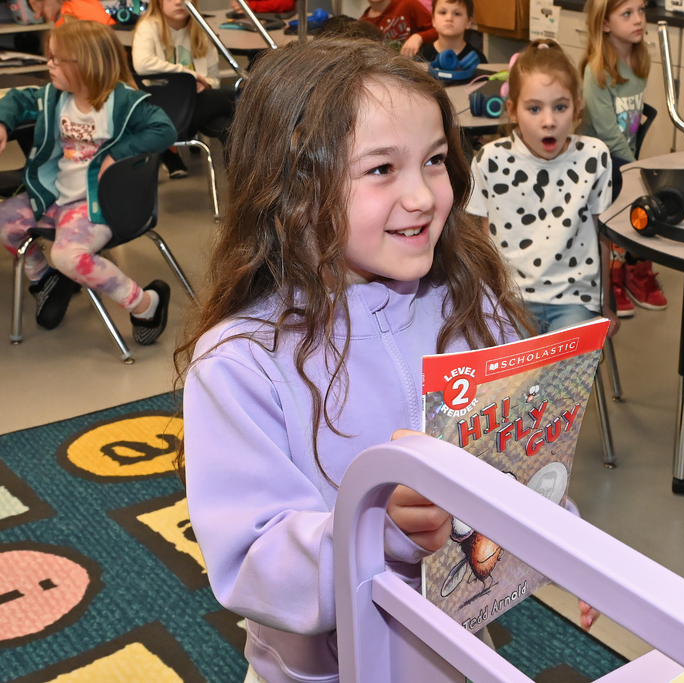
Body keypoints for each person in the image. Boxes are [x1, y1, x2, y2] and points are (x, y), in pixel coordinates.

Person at [176, 39, 598, 683]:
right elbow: (253, 565)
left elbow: (518, 455)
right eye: (381, 170)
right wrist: (379, 527)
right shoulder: (240, 364)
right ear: (294, 189)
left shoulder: (466, 300)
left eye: (434, 161)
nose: (425, 196)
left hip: (458, 650)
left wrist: (566, 542)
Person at [0, 21, 177, 343]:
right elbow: (17, 99)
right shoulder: (55, 96)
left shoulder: (122, 102)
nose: (48, 64)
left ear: (87, 63)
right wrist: (2, 122)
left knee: (69, 256)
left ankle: (145, 303)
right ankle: (44, 279)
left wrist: (120, 152)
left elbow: (164, 129)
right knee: (5, 221)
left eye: (57, 59)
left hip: (96, 202)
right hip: (56, 196)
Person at [467, 39, 618, 340]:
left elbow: (603, 239)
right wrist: (486, 305)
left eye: (560, 107)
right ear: (512, 111)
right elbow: (485, 244)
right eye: (534, 108)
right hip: (512, 298)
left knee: (563, 379)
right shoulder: (489, 161)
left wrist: (606, 305)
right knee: (516, 381)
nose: (549, 122)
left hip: (576, 299)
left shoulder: (594, 156)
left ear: (577, 107)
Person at [580, 0, 666, 318]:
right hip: (599, 162)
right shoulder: (597, 72)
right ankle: (613, 276)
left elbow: (631, 125)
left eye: (641, 10)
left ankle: (634, 267)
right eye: (627, 14)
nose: (638, 20)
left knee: (646, 200)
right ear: (605, 24)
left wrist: (635, 165)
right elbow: (608, 135)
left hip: (623, 156)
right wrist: (636, 169)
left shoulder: (639, 62)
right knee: (625, 203)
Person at [133, 0, 233, 179]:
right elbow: (142, 64)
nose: (179, 2)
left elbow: (213, 78)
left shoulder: (200, 30)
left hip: (196, 105)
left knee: (227, 126)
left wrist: (206, 84)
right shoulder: (148, 27)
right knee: (234, 99)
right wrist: (189, 75)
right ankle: (251, 183)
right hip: (163, 110)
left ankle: (239, 182)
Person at [416, 0, 486, 65]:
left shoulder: (478, 59)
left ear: (469, 22)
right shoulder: (422, 57)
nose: (449, 18)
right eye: (443, 12)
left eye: (457, 14)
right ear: (433, 20)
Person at [359, 0, 438, 55]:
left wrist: (419, 37)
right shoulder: (362, 23)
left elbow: (438, 29)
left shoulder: (408, 4)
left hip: (416, 65)